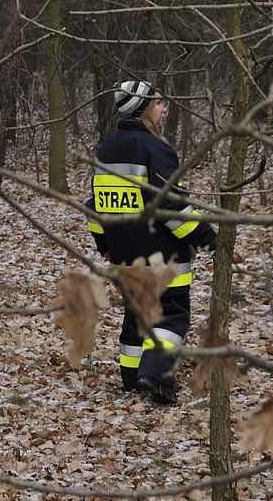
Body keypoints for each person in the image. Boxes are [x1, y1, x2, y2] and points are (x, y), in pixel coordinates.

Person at [85, 80, 216, 404]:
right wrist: (207, 237)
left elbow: (92, 207)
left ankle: (130, 378)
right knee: (171, 315)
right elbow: (171, 207)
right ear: (142, 109)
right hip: (161, 257)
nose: (164, 108)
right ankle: (156, 374)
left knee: (137, 315)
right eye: (158, 103)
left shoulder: (107, 149)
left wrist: (106, 244)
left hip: (126, 256)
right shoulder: (156, 149)